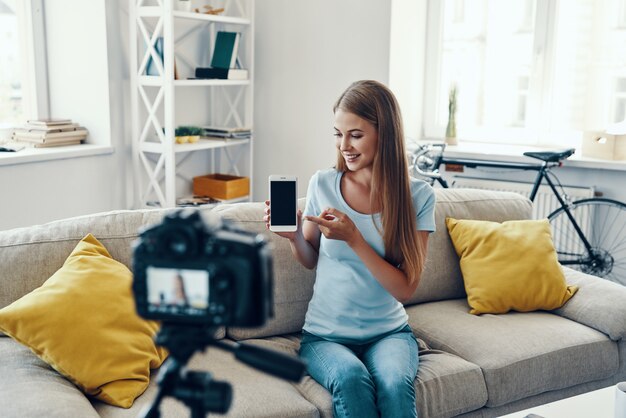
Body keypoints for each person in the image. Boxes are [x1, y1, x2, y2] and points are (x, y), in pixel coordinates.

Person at [263, 80, 435, 417]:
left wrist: (355, 239)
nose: (344, 146)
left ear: (383, 134)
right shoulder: (324, 183)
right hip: (326, 337)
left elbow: (406, 288)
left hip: (389, 333)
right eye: (338, 134)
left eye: (355, 135)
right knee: (351, 379)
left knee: (395, 384)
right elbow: (311, 258)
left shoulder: (419, 197)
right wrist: (296, 237)